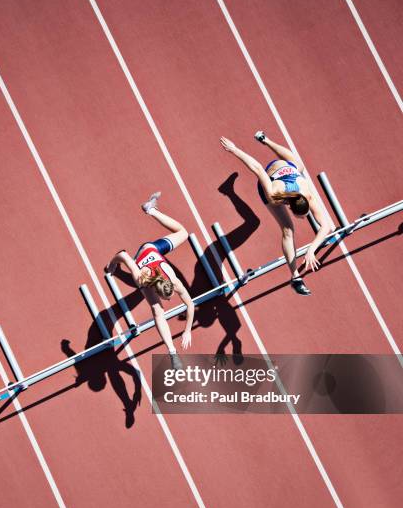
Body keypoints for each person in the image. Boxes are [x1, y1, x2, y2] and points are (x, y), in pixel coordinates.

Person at [220, 133, 331, 295]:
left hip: (288, 168)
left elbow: (326, 226)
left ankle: (266, 140)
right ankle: (295, 277)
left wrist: (311, 250)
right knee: (288, 229)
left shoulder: (307, 193)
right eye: (303, 215)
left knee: (299, 165)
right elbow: (258, 169)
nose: (306, 218)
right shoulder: (275, 194)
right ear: (290, 208)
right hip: (271, 178)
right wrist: (234, 149)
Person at [105, 192, 194, 368]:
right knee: (157, 310)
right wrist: (112, 265)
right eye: (166, 298)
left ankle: (151, 210)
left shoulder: (173, 280)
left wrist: (188, 330)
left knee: (184, 234)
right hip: (145, 252)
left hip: (155, 259)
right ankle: (151, 210)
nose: (169, 300)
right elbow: (122, 254)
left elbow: (190, 305)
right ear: (158, 290)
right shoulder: (141, 278)